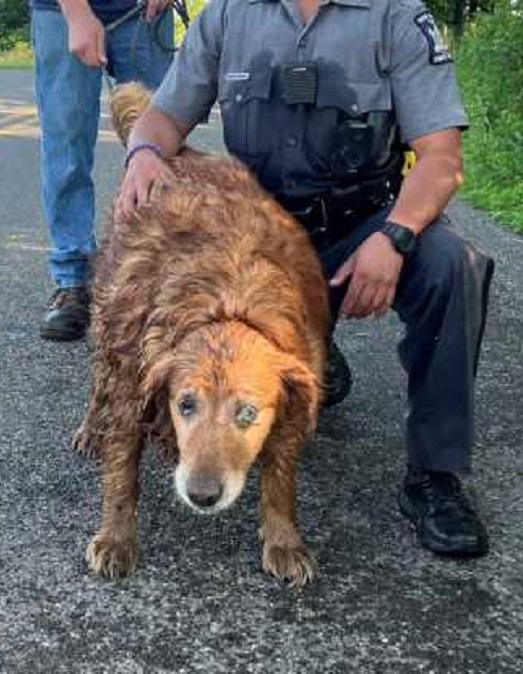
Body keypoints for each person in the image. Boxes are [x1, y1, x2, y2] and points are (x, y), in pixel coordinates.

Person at [114, 0, 495, 557]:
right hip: (256, 235)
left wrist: (395, 236)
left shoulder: (396, 17)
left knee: (450, 266)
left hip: (358, 227)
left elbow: (441, 158)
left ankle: (433, 478)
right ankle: (307, 355)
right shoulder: (226, 14)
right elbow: (166, 115)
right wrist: (145, 152)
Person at [30, 0, 175, 340]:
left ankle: (159, 281)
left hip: (145, 10)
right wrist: (77, 13)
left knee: (161, 139)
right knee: (66, 143)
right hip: (61, 12)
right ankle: (73, 281)